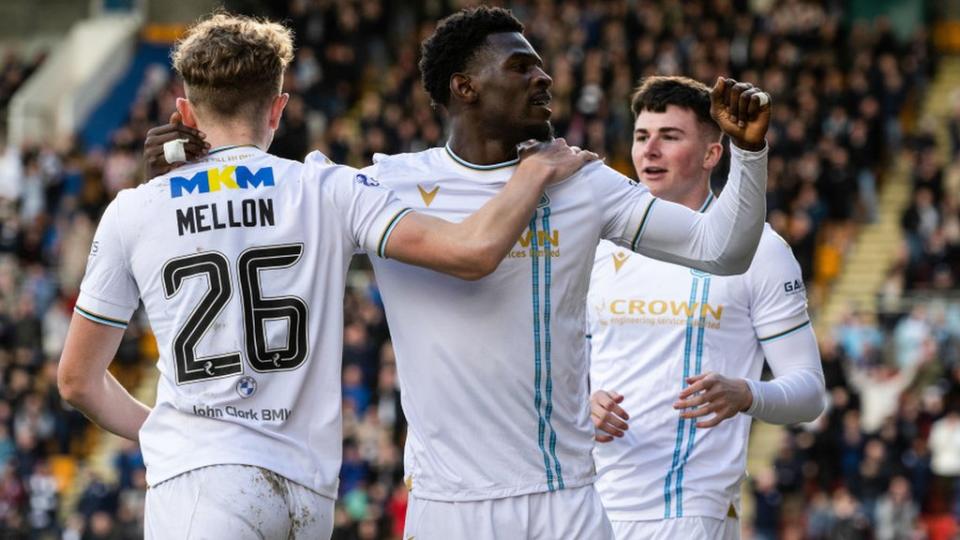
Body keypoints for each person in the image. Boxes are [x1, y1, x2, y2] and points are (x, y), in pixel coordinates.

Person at [146, 7, 772, 538]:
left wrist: (747, 154)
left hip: (569, 500)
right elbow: (256, 219)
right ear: (464, 88)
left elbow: (723, 251)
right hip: (449, 508)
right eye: (520, 67)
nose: (544, 77)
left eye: (540, 64)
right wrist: (188, 166)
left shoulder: (584, 180)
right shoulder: (387, 183)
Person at [56, 13, 597, 540]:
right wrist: (534, 173)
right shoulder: (327, 187)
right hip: (304, 489)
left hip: (198, 483)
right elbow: (474, 251)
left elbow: (78, 381)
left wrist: (169, 434)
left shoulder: (134, 208)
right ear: (279, 107)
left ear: (185, 112)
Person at [587, 76, 826, 540]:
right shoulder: (596, 248)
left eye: (669, 137)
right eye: (641, 137)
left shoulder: (761, 252)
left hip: (692, 515)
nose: (649, 150)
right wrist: (582, 403)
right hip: (589, 508)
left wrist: (746, 394)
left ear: (712, 154)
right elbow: (566, 369)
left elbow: (811, 392)